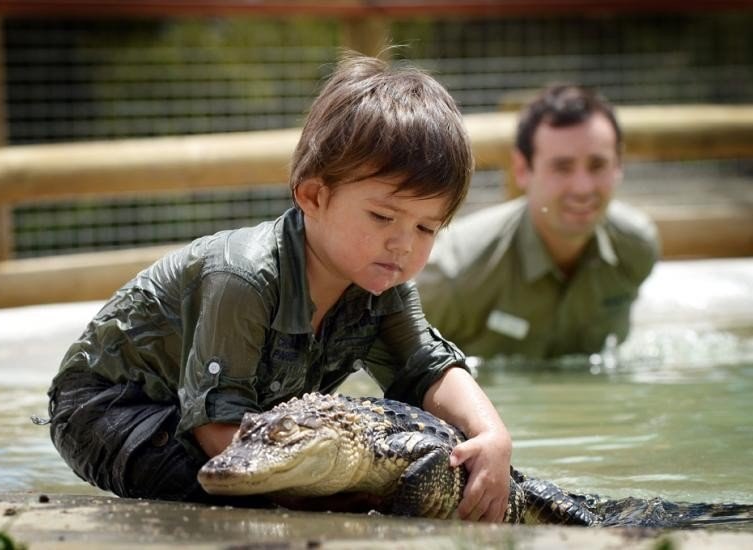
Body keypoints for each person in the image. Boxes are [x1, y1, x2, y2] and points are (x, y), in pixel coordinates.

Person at [42, 54, 512, 523]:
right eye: (383, 217)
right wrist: (311, 496)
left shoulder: (382, 283)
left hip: (224, 420)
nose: (403, 244)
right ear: (313, 197)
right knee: (243, 497)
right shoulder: (243, 277)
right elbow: (216, 422)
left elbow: (427, 370)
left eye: (427, 228)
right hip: (114, 408)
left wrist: (492, 436)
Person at [416, 84, 660, 360]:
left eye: (597, 165)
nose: (582, 187)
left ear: (618, 167)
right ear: (522, 170)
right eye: (562, 167)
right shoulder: (455, 273)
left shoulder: (635, 249)